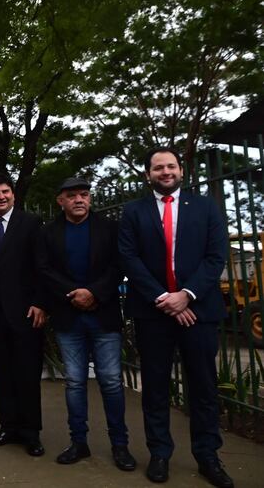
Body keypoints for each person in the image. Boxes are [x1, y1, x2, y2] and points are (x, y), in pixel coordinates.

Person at [119, 147, 232, 487]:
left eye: (171, 166)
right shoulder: (133, 212)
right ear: (148, 174)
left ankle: (208, 455)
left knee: (203, 386)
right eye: (158, 168)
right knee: (155, 387)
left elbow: (216, 256)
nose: (165, 172)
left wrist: (186, 297)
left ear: (181, 171)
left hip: (198, 311)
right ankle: (160, 453)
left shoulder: (205, 207)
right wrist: (164, 298)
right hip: (152, 313)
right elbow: (128, 257)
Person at [35, 177, 136, 471]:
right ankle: (79, 442)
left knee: (111, 383)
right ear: (60, 201)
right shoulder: (48, 233)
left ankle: (120, 445)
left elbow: (119, 266)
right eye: (72, 195)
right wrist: (74, 294)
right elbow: (43, 269)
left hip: (103, 316)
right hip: (69, 317)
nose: (79, 199)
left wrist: (94, 293)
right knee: (75, 383)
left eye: (84, 194)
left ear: (90, 198)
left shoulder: (110, 228)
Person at [0, 173, 47, 456]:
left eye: (5, 192)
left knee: (27, 374)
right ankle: (8, 427)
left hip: (26, 313)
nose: (0, 197)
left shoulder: (30, 223)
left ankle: (31, 433)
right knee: (1, 374)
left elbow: (42, 266)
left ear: (13, 195)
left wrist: (40, 302)